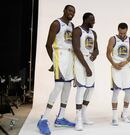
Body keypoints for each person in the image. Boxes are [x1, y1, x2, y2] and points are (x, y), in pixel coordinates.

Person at [37, 5, 76, 135]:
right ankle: (43, 119)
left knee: (67, 87)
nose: (71, 13)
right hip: (60, 55)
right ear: (64, 10)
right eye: (69, 10)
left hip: (70, 57)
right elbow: (48, 45)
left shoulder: (72, 25)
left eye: (73, 12)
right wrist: (54, 61)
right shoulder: (56, 23)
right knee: (58, 87)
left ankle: (60, 118)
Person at [72, 12, 99, 131]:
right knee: (81, 88)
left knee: (90, 88)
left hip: (90, 61)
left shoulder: (93, 33)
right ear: (86, 19)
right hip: (80, 61)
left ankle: (83, 114)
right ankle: (78, 119)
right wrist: (86, 67)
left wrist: (95, 54)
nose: (94, 22)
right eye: (92, 20)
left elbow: (97, 49)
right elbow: (76, 50)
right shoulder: (78, 31)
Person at [106, 23, 130, 126]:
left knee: (128, 92)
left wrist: (126, 62)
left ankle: (125, 114)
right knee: (116, 91)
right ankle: (114, 117)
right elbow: (108, 53)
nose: (122, 35)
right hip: (115, 66)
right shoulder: (113, 39)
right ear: (118, 30)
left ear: (127, 30)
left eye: (124, 33)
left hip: (126, 67)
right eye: (120, 33)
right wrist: (114, 64)